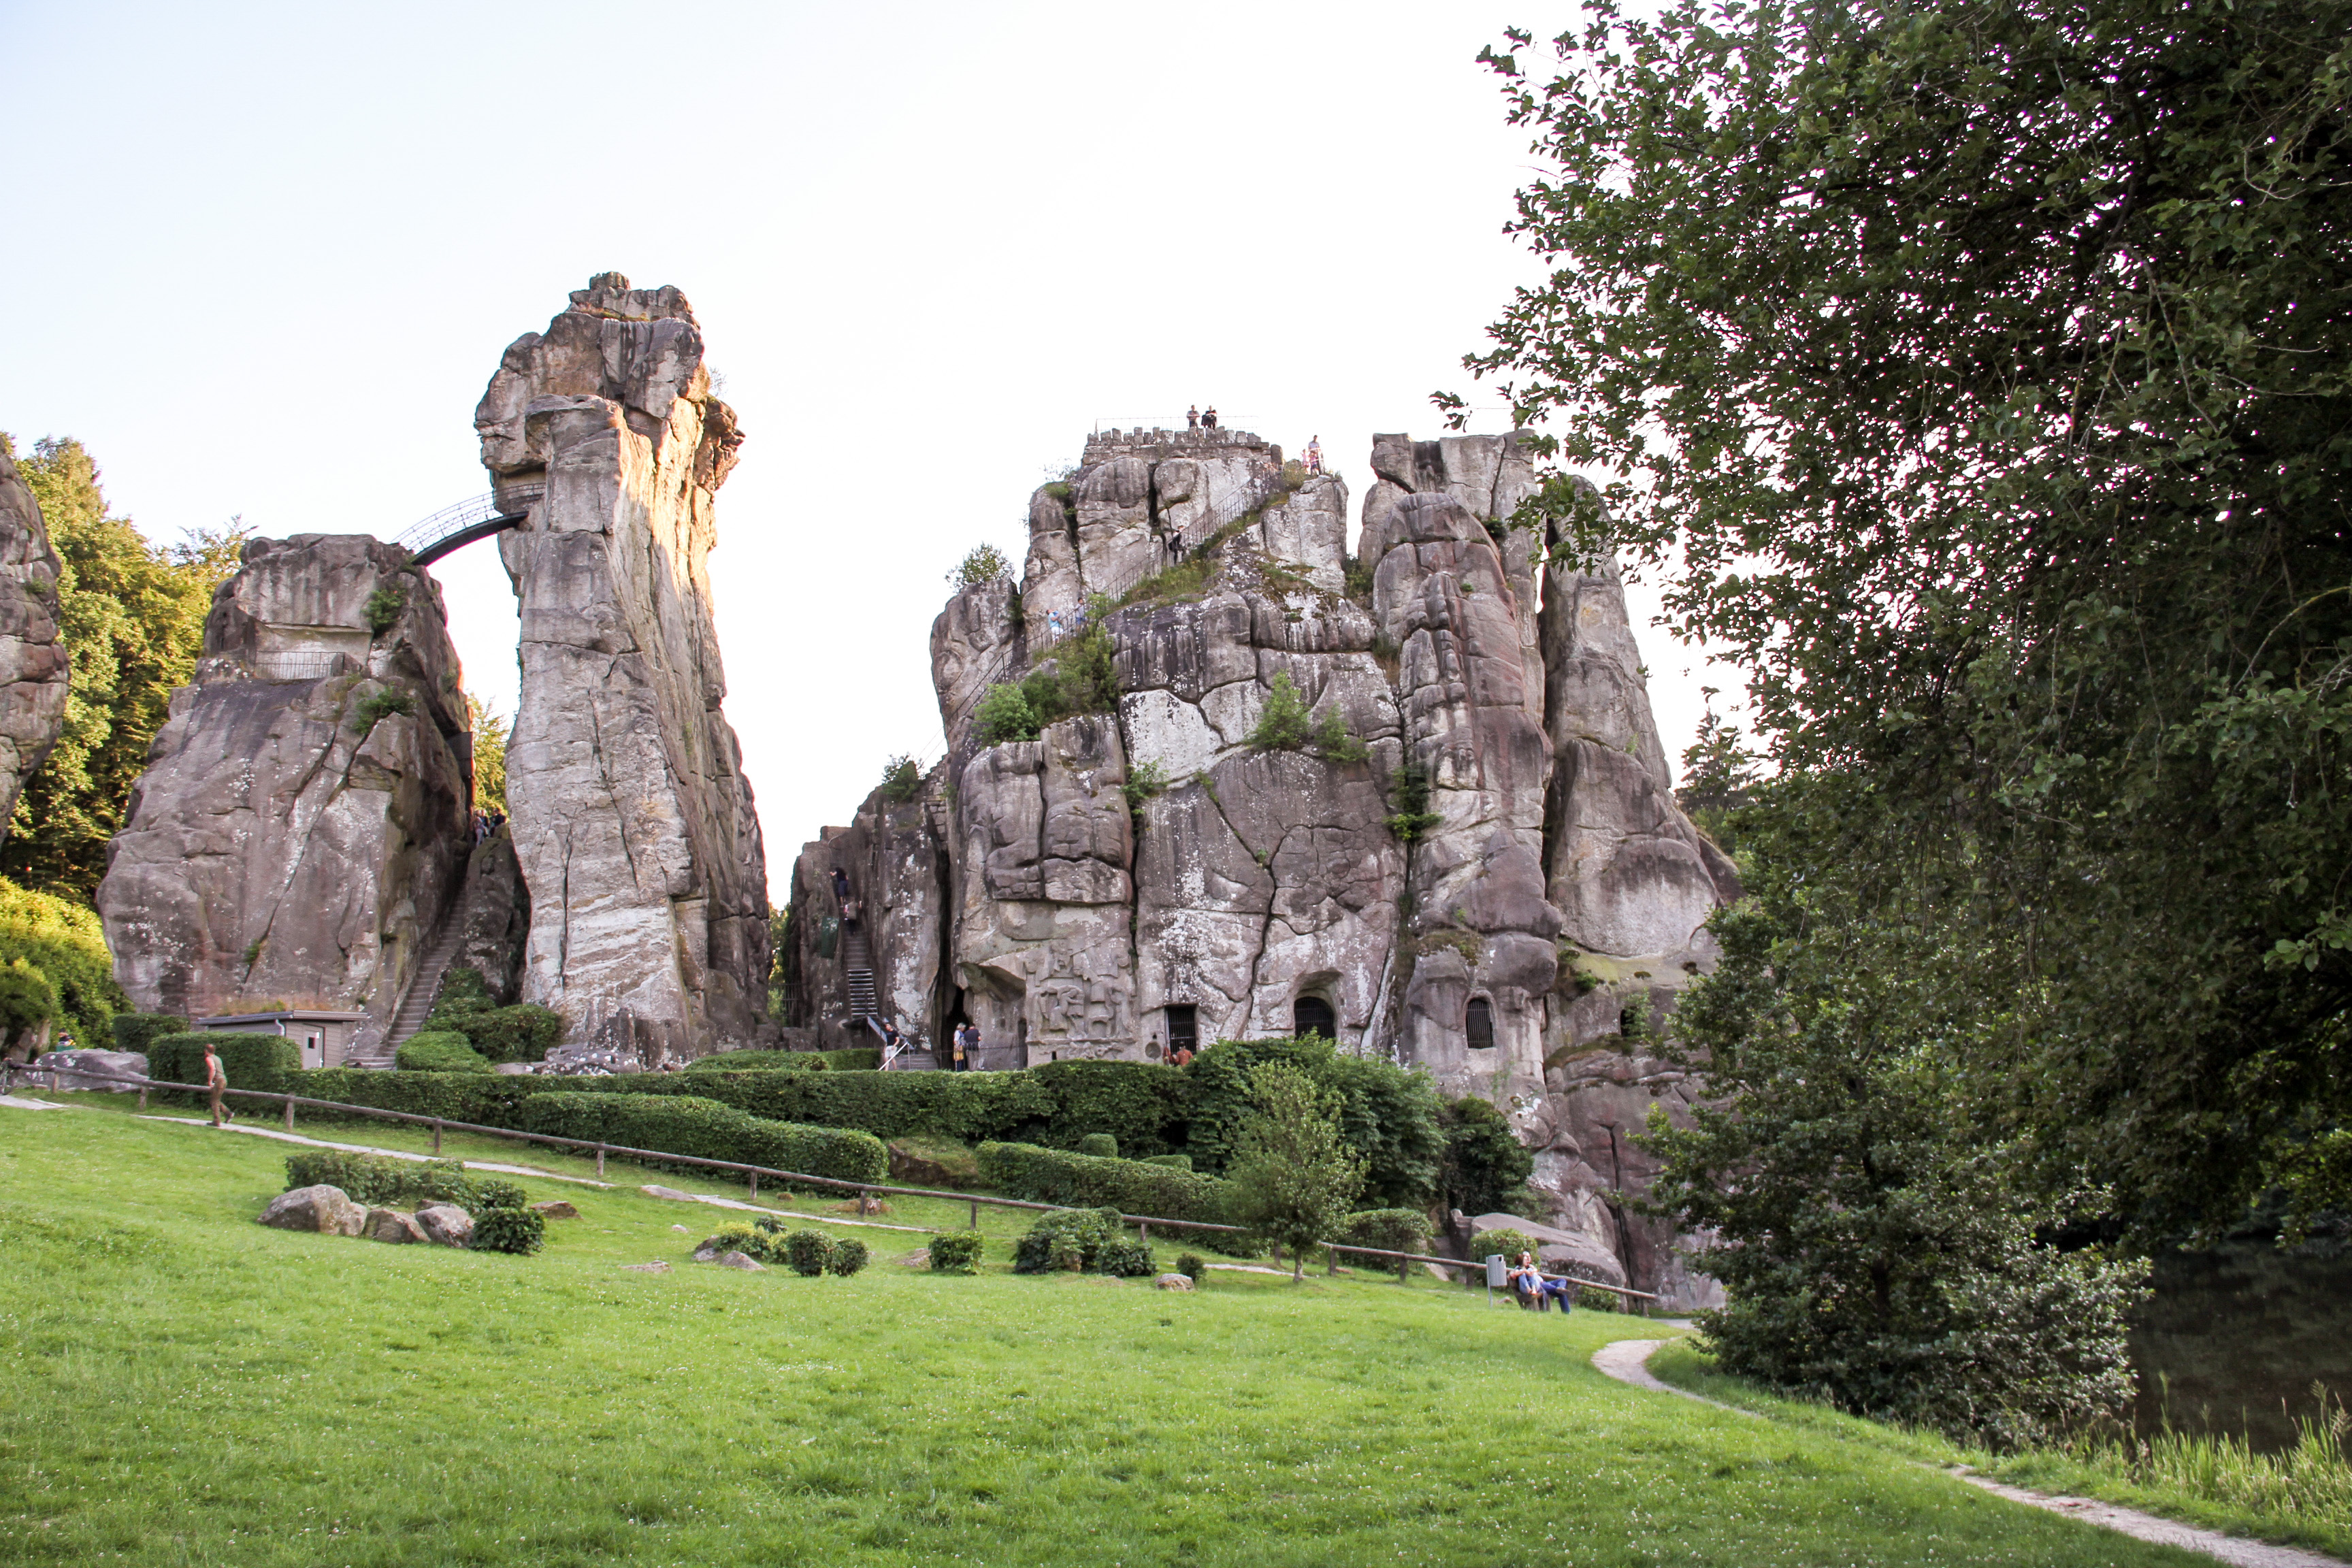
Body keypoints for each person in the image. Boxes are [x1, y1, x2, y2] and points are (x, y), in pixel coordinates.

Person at [202, 1039, 233, 1128]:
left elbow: (213, 1069)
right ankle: (228, 1114)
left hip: (219, 1081)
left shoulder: (209, 1058)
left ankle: (216, 1121)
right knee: (217, 1099)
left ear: (206, 1051)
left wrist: (210, 1081)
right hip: (224, 1080)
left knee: (214, 1101)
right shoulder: (218, 1058)